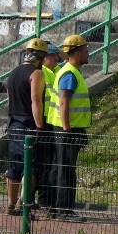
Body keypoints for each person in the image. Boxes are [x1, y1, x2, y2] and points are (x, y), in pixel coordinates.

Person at [49, 34, 91, 222]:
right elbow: (64, 101)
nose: (88, 53)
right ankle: (64, 210)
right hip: (68, 129)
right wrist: (67, 128)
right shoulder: (69, 73)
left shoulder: (68, 71)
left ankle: (55, 207)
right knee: (66, 170)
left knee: (60, 168)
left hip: (67, 127)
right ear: (78, 53)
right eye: (85, 50)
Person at [4, 38, 47, 216]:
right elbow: (35, 100)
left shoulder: (13, 73)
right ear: (41, 57)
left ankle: (10, 204)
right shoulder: (36, 74)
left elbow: (9, 99)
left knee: (14, 167)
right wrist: (39, 126)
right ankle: (24, 204)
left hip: (13, 123)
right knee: (31, 166)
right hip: (28, 124)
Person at [35, 41, 62, 209]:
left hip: (53, 121)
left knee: (53, 162)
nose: (56, 58)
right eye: (52, 55)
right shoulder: (41, 73)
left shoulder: (58, 71)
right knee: (44, 163)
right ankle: (43, 199)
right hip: (44, 122)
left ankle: (48, 198)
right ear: (44, 58)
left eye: (56, 55)